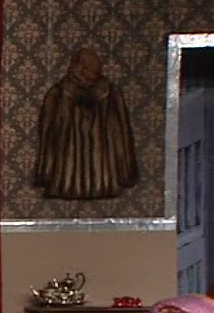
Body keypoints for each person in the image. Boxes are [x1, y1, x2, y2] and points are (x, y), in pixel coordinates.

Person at [34, 47, 138, 199]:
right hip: (74, 168)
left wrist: (125, 170)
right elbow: (47, 133)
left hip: (96, 170)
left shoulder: (110, 92)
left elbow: (122, 131)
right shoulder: (58, 92)